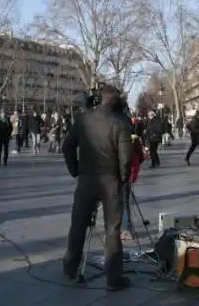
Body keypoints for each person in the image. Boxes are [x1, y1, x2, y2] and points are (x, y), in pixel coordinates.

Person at [62, 84, 132, 292]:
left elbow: (67, 146)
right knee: (112, 229)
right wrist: (123, 178)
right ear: (115, 101)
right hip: (110, 180)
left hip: (86, 179)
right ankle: (113, 277)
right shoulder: (121, 122)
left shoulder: (83, 119)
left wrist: (75, 170)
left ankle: (70, 267)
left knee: (78, 224)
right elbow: (125, 158)